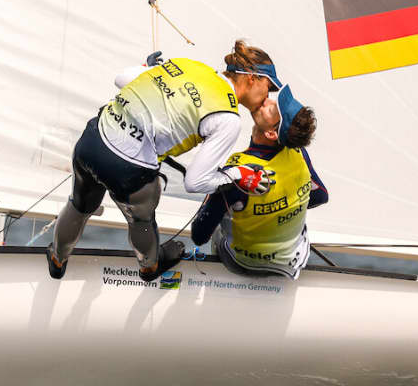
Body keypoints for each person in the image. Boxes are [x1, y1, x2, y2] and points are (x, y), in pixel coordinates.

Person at [48, 40, 282, 282]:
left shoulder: (190, 65)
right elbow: (195, 182)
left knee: (79, 205)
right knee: (142, 216)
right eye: (269, 88)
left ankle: (57, 260)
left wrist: (148, 70)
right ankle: (149, 266)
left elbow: (121, 79)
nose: (268, 97)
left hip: (93, 139)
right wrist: (239, 175)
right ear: (252, 78)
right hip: (126, 168)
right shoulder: (229, 118)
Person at [190, 86, 327, 280]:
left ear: (271, 133)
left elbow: (199, 235)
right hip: (292, 260)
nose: (266, 101)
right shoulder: (299, 154)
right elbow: (320, 196)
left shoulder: (238, 173)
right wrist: (282, 209)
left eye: (271, 108)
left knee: (220, 221)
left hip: (243, 263)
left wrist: (214, 188)